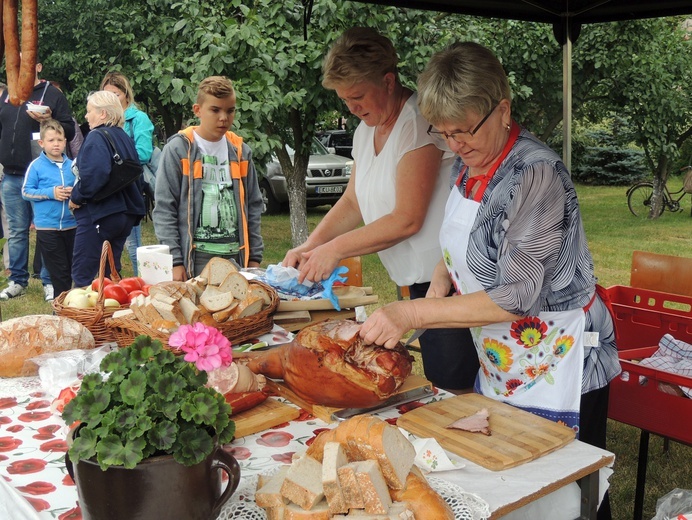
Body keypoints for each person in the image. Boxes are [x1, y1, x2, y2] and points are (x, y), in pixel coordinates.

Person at [358, 42, 619, 519]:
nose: (454, 144)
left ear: (502, 110)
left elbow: (518, 295)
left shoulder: (535, 173)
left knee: (571, 485)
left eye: (464, 130)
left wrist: (413, 310)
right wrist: (442, 274)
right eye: (444, 131)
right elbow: (465, 237)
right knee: (513, 475)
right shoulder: (472, 161)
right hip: (506, 354)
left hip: (559, 357)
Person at [281, 27, 478, 392]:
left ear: (388, 81)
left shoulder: (417, 123)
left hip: (448, 281)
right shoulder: (364, 129)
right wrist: (313, 245)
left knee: (454, 388)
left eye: (357, 95)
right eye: (344, 99)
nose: (351, 107)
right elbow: (353, 200)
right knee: (437, 381)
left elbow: (407, 218)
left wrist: (335, 250)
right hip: (417, 282)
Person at [153, 76, 263, 279]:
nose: (224, 118)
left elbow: (254, 207)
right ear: (197, 110)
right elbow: (164, 209)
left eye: (230, 111)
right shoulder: (178, 150)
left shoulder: (241, 153)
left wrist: (254, 258)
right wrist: (175, 261)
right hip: (194, 261)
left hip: (236, 260)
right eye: (215, 110)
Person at [0, 59, 75, 301]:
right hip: (12, 174)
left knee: (47, 231)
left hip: (44, 173)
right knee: (17, 231)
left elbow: (69, 130)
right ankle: (17, 281)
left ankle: (49, 282)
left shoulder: (51, 94)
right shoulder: (9, 95)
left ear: (39, 66)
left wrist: (49, 120)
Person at [68, 91, 146, 287]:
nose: (86, 116)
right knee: (111, 273)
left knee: (83, 274)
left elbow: (96, 175)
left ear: (103, 114)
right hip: (125, 214)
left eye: (89, 111)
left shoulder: (96, 136)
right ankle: (109, 315)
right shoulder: (124, 137)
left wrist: (76, 197)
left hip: (101, 214)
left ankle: (78, 316)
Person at [100, 71, 155, 276]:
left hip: (129, 185)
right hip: (107, 187)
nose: (112, 99)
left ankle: (142, 282)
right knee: (107, 241)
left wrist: (115, 160)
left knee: (133, 242)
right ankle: (112, 281)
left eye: (116, 94)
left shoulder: (138, 119)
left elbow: (144, 152)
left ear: (126, 94)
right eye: (107, 94)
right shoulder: (103, 118)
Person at [21, 119, 76, 298]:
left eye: (59, 140)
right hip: (48, 227)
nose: (56, 144)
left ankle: (72, 305)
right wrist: (51, 193)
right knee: (59, 271)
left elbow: (82, 188)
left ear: (65, 142)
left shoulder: (73, 166)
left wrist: (74, 192)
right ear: (41, 143)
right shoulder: (36, 166)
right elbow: (26, 192)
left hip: (72, 225)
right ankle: (61, 307)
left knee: (72, 268)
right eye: (51, 140)